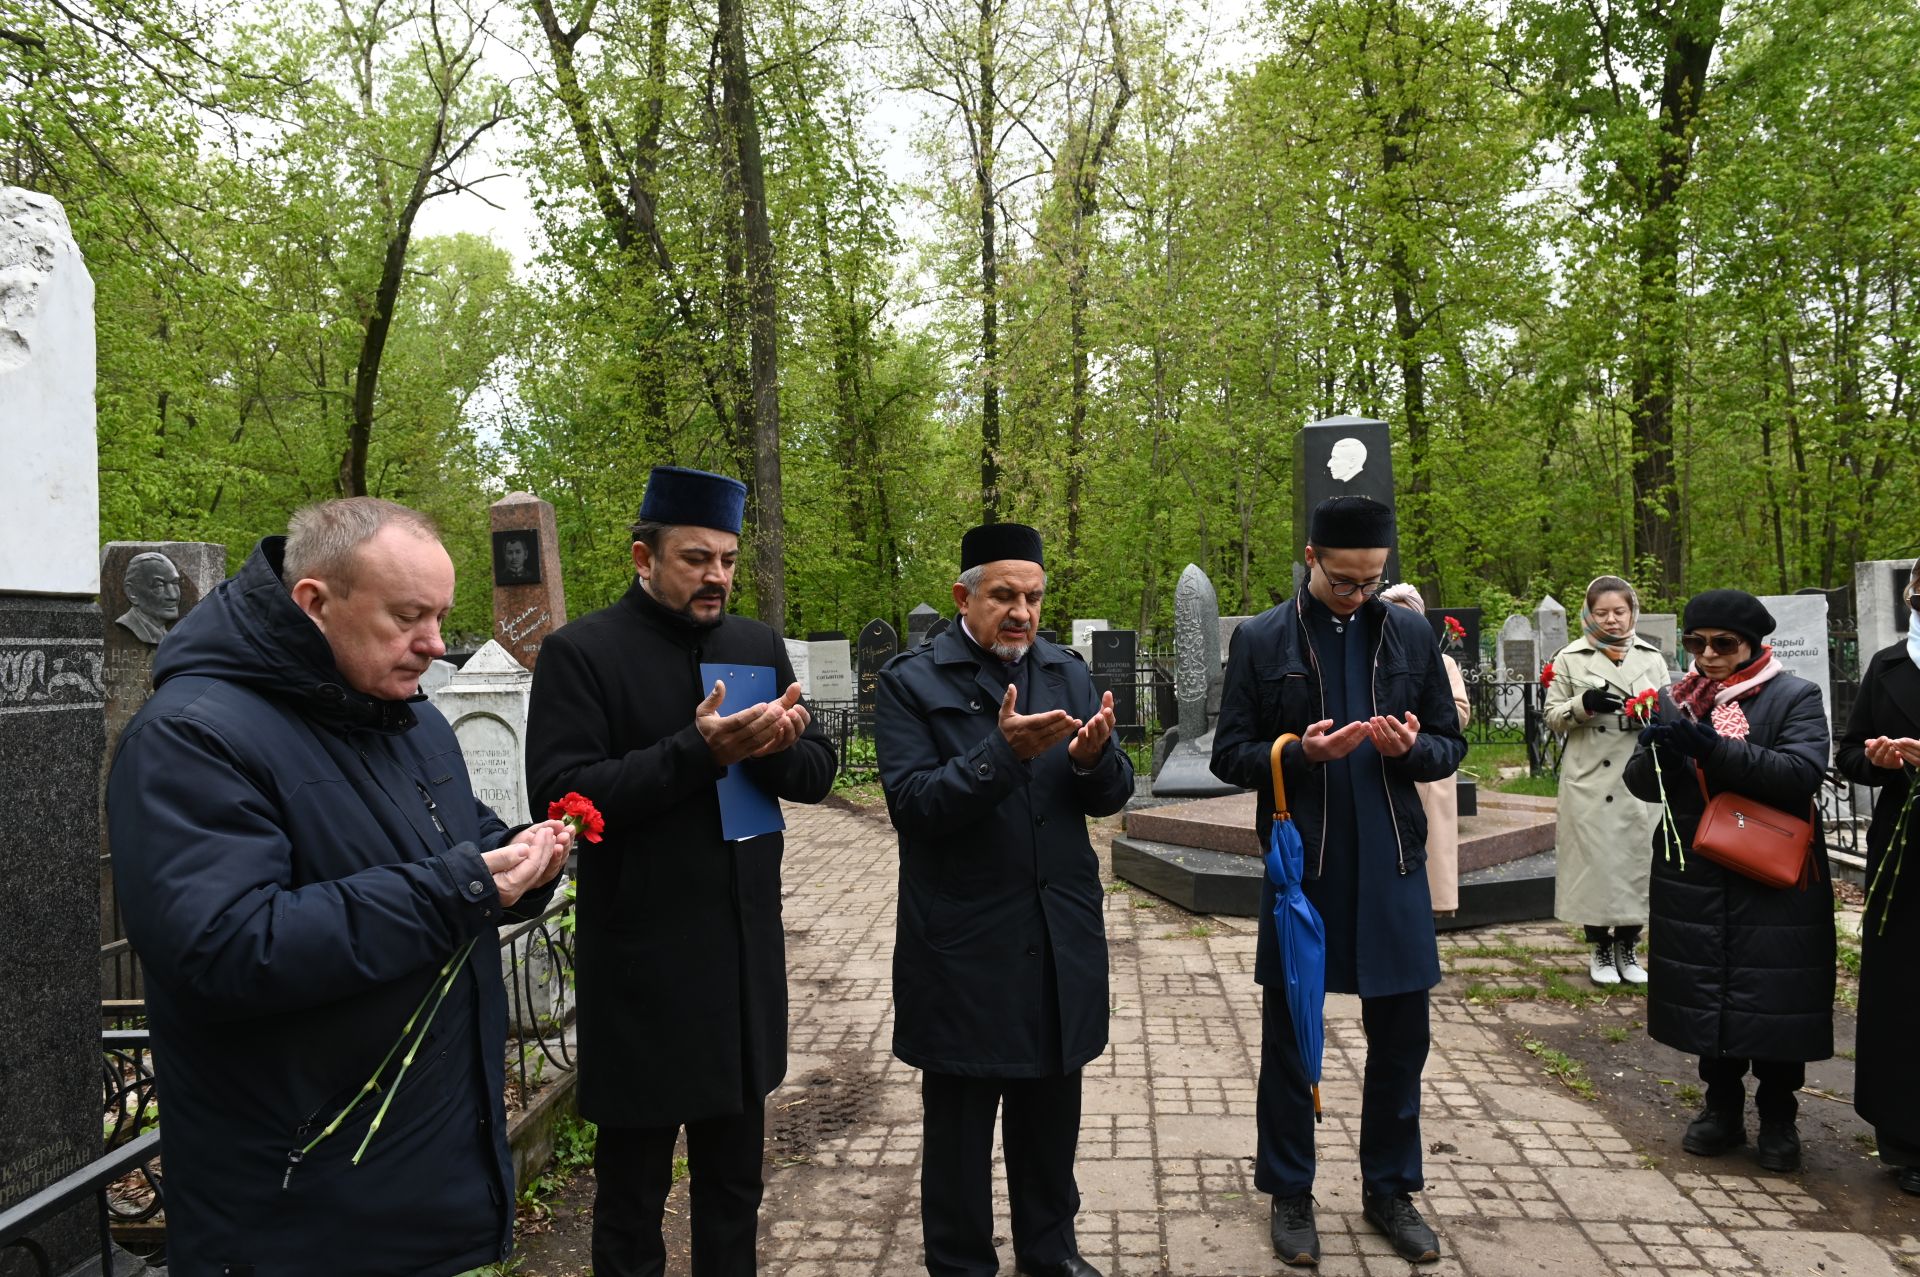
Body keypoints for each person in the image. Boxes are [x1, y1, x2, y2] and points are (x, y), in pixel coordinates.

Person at [106, 498, 573, 1277]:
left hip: (423, 1183)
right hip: (298, 1215)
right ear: (314, 602)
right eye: (408, 617)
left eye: (440, 616)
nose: (433, 644)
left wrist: (519, 863)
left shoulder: (409, 716)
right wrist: (455, 888)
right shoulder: (190, 737)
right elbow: (227, 947)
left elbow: (453, 839)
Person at [525, 466, 837, 1277]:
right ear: (644, 555)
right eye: (697, 558)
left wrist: (780, 747)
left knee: (735, 1189)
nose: (717, 577)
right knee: (630, 1202)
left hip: (741, 968)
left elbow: (816, 774)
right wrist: (695, 751)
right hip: (642, 974)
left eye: (728, 560)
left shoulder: (755, 645)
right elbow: (563, 796)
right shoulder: (582, 654)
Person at [1211, 496, 1466, 1268]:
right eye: (1346, 580)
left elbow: (1448, 746)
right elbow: (1230, 753)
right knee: (1291, 1037)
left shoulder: (1411, 631)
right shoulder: (1263, 637)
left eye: (1373, 580)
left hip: (1392, 867)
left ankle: (1390, 1189)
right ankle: (1291, 1192)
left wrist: (1407, 747)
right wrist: (1297, 753)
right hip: (1304, 870)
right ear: (1313, 555)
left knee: (1402, 1041)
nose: (1361, 594)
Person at [874, 522, 1133, 1277]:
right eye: (1004, 596)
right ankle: (960, 1264)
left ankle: (1051, 1251)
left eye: (1034, 596)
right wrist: (1002, 753)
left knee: (1051, 1119)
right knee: (959, 1133)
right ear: (965, 596)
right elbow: (914, 805)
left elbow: (1108, 794)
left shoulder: (1066, 672)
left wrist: (1093, 761)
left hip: (1058, 937)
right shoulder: (910, 682)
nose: (1022, 612)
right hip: (963, 946)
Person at [1624, 589, 1833, 1174]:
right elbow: (1646, 786)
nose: (1708, 656)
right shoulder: (1677, 699)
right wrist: (1655, 753)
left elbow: (1800, 773)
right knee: (1707, 990)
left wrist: (1713, 749)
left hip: (1772, 875)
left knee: (1773, 997)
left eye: (1723, 644)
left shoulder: (1796, 695)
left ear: (1754, 644)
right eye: (1696, 644)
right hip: (1696, 870)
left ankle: (1778, 1114)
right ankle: (1720, 1106)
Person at [1835, 560, 1920, 1195]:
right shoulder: (1890, 665)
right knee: (1904, 986)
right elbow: (1850, 753)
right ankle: (1907, 1133)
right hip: (1905, 850)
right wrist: (1876, 758)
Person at [1542, 576, 1669, 985]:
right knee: (1594, 865)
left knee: (1638, 861)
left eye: (1619, 612)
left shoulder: (1651, 657)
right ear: (1588, 614)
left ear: (1632, 612)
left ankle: (1629, 946)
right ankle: (1599, 946)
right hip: (1590, 777)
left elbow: (1670, 709)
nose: (1611, 621)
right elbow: (1552, 717)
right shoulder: (1570, 658)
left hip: (1639, 776)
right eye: (1602, 613)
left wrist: (1649, 716)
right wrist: (1584, 705)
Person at [1379, 583, 1471, 916]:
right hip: (1383, 765)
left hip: (1426, 767)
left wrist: (1421, 721)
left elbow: (1458, 712)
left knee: (1429, 855)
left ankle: (1428, 910)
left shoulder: (1442, 661)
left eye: (1408, 615)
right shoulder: (1371, 660)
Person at [116, 549, 183, 644]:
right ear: (132, 592)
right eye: (159, 585)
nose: (173, 596)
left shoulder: (166, 634)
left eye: (175, 582)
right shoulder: (127, 626)